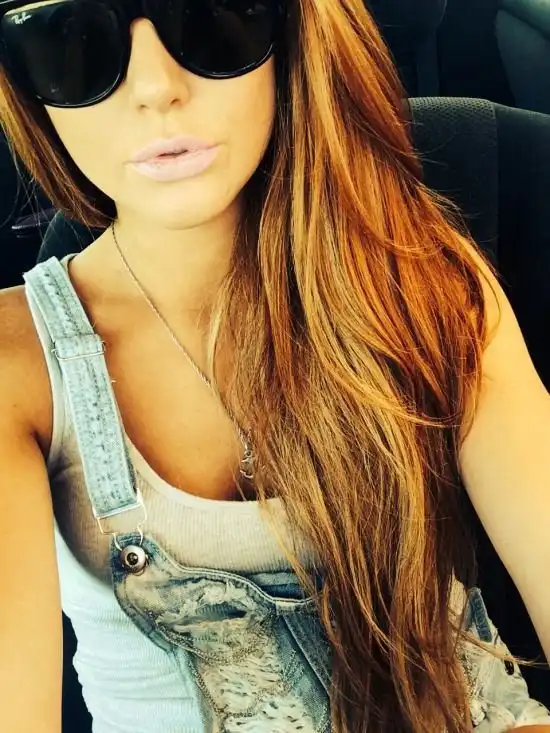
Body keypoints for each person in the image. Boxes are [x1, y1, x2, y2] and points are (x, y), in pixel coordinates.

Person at [0, 1, 548, 732]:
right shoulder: (17, 365)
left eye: (212, 15)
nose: (157, 87)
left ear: (295, 32)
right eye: (69, 36)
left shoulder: (432, 286)